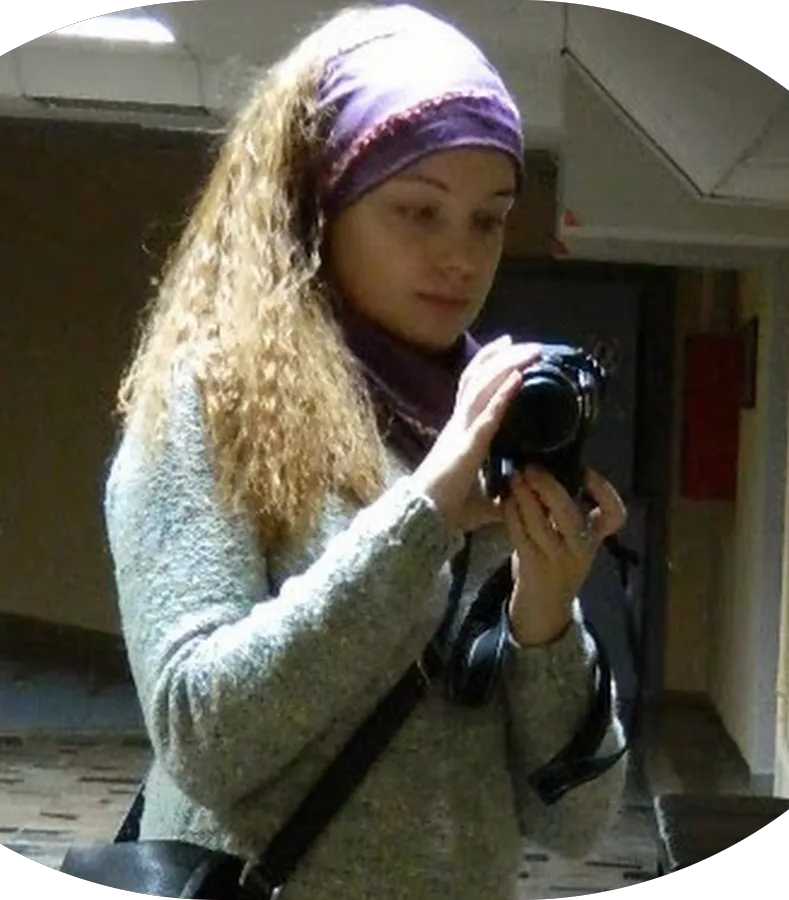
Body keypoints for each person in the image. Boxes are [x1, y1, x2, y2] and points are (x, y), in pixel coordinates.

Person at [102, 4, 629, 898]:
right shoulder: (213, 402)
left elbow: (576, 823)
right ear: (322, 204)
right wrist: (420, 521)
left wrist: (543, 621)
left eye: (489, 220)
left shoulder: (498, 424)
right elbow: (200, 735)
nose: (460, 257)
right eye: (418, 211)